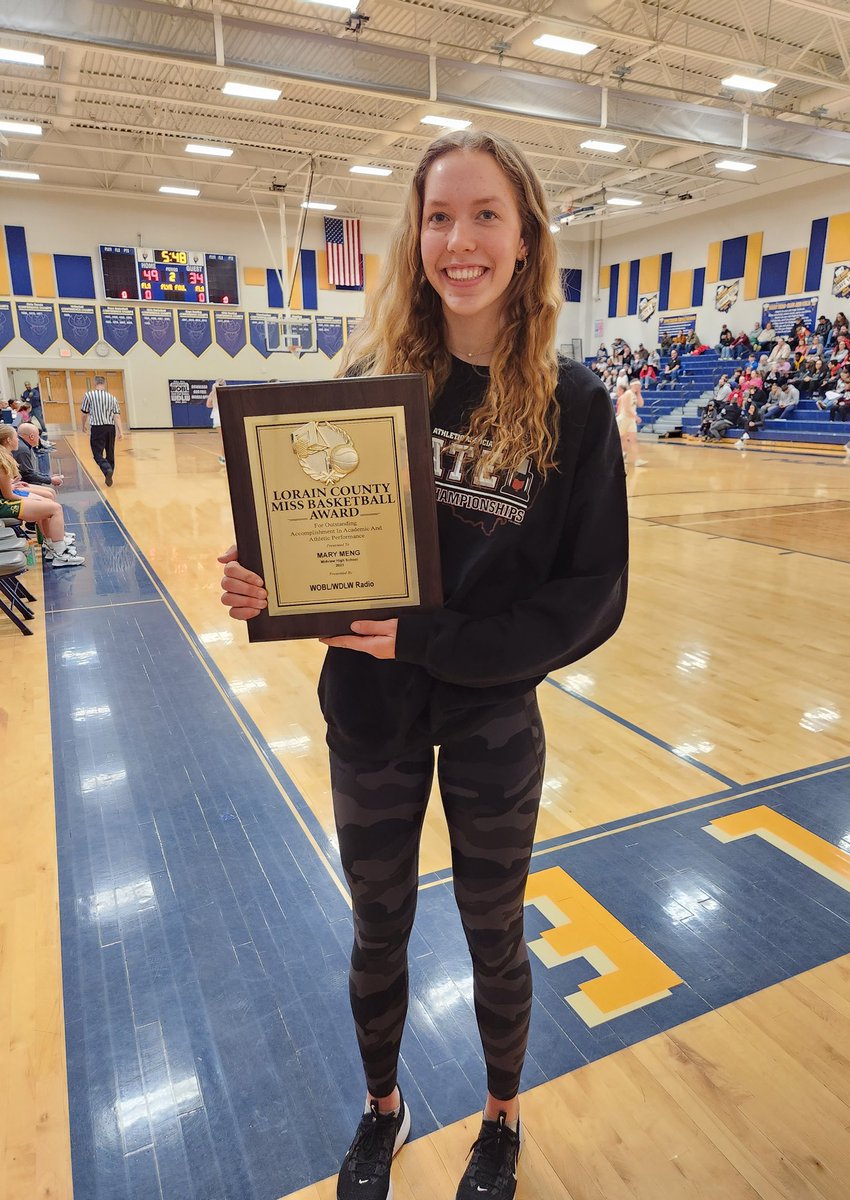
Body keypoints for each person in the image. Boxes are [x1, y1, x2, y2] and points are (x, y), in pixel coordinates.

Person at [220, 129, 628, 1200]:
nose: (460, 240)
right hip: (371, 709)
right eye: (439, 216)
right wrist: (272, 584)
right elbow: (325, 551)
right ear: (416, 236)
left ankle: (500, 1118)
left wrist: (434, 641)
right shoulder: (372, 382)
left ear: (527, 237)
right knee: (379, 928)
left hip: (492, 717)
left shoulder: (575, 405)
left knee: (496, 931)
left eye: (486, 214)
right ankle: (381, 1108)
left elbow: (591, 598)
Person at [0, 426, 83, 566]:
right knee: (55, 508)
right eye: (15, 437)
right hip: (3, 504)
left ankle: (51, 545)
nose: (17, 440)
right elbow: (8, 495)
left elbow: (6, 489)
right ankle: (61, 555)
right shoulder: (2, 461)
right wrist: (31, 499)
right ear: (8, 440)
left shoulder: (4, 457)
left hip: (5, 499)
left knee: (47, 503)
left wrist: (13, 486)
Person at [80, 376, 123, 486]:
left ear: (95, 383)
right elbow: (117, 416)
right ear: (104, 383)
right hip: (110, 428)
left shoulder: (89, 395)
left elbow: (84, 413)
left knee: (97, 453)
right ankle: (109, 473)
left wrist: (83, 425)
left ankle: (106, 469)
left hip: (97, 427)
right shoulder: (112, 397)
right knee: (110, 452)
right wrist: (120, 431)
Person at [11, 422, 63, 489]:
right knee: (49, 492)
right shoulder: (23, 450)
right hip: (17, 483)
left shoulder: (22, 445)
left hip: (16, 481)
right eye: (38, 435)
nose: (39, 438)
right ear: (32, 437)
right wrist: (50, 480)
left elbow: (28, 472)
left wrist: (47, 477)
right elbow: (28, 475)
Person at [616, 381, 646, 469]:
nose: (639, 387)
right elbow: (626, 408)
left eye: (639, 386)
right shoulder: (627, 394)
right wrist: (636, 417)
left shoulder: (635, 394)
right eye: (637, 385)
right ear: (633, 385)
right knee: (622, 438)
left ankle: (637, 460)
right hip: (624, 418)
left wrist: (639, 393)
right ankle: (623, 454)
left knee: (633, 439)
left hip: (631, 419)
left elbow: (641, 404)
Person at [206, 377, 227, 465]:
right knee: (227, 439)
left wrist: (215, 405)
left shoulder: (213, 393)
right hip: (225, 415)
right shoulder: (226, 392)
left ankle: (224, 458)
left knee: (223, 439)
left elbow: (208, 405)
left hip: (217, 417)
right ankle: (225, 457)